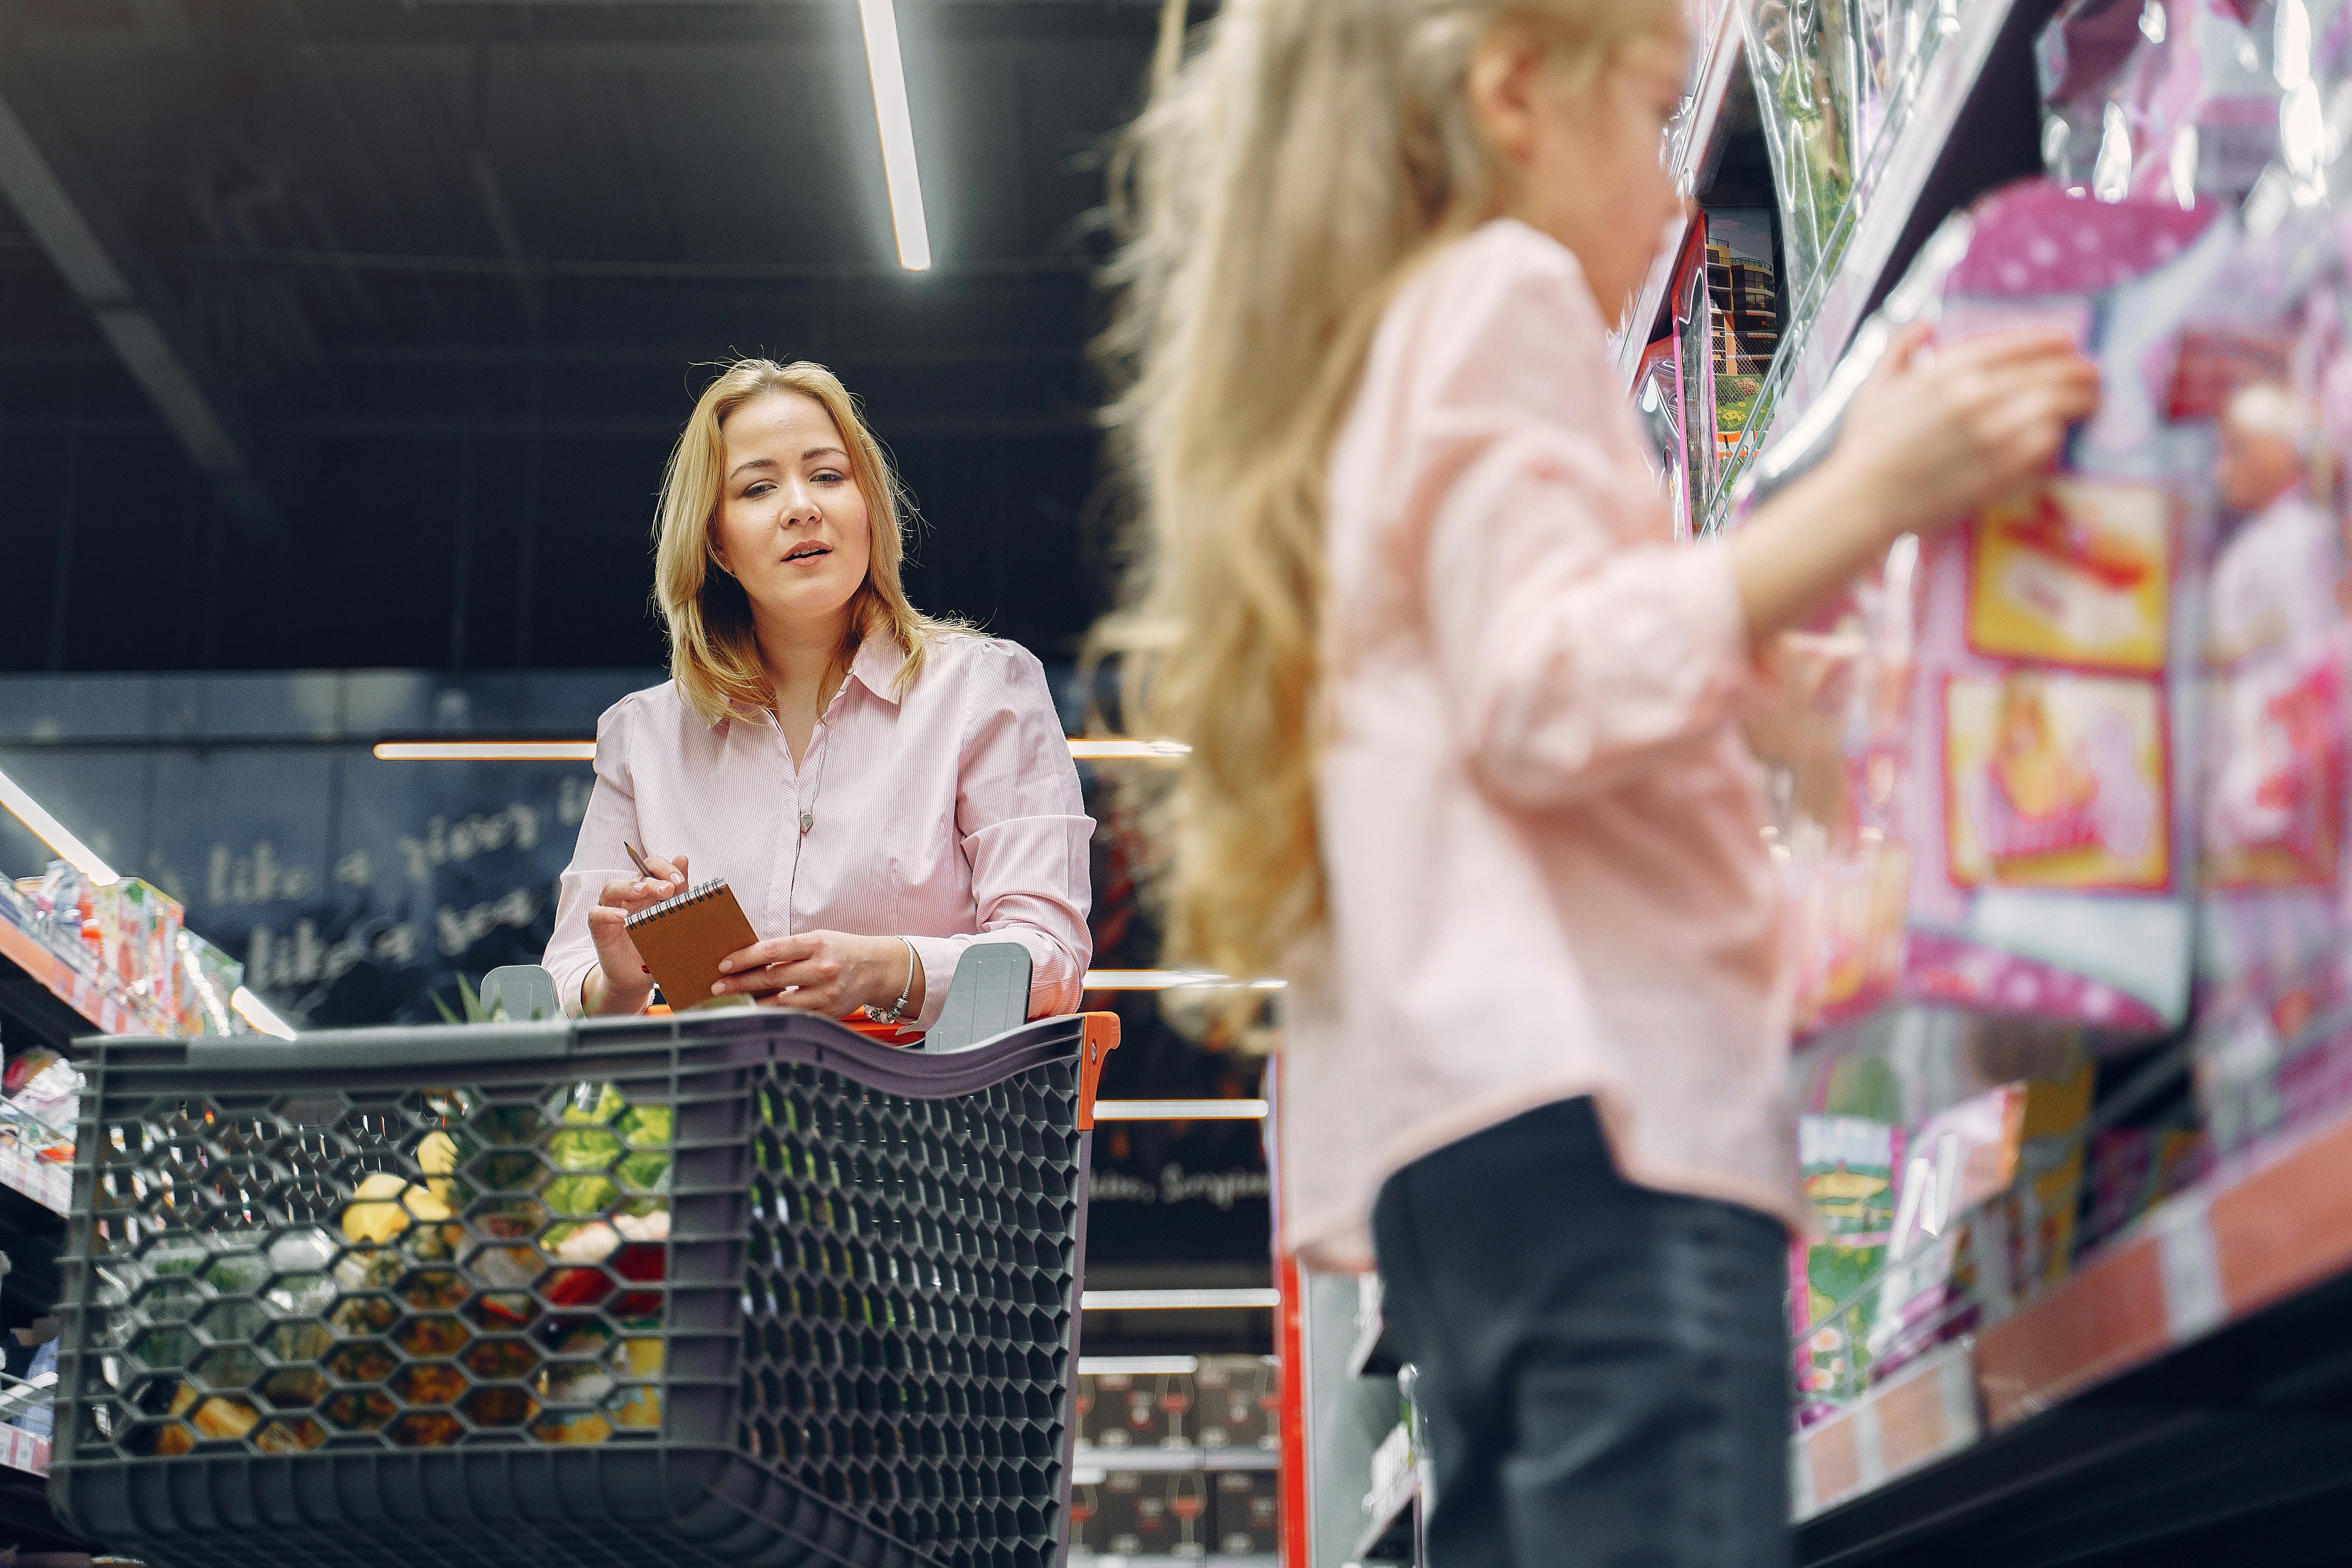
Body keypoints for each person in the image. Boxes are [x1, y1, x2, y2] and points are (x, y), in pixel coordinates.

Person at [1097, 2, 2098, 1564]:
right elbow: (1542, 688)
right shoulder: (1498, 294)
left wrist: (1763, 697)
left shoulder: (1365, 378)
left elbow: (1492, 700)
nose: (1676, 193)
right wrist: (1858, 506)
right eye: (1646, 115)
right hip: (1606, 1128)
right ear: (1511, 95)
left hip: (1459, 1162)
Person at [544, 359, 1094, 1031]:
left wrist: (886, 969)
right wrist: (622, 980)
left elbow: (1053, 960)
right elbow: (562, 985)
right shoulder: (644, 738)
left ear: (868, 508)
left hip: (937, 1125)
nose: (801, 506)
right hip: (720, 1125)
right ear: (716, 542)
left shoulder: (985, 690)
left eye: (829, 476)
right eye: (757, 489)